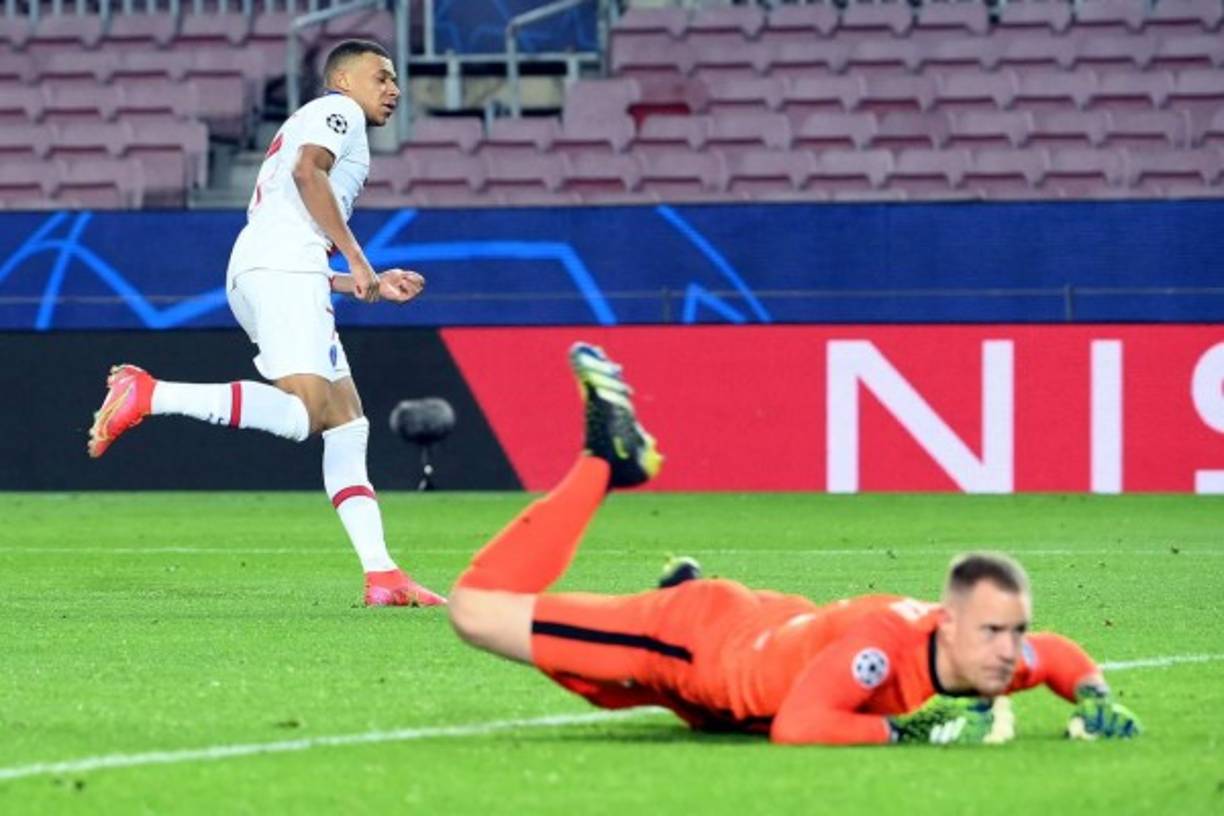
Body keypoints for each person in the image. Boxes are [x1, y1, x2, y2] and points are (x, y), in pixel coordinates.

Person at [446, 342, 1142, 745]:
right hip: (691, 643)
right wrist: (905, 732)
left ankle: (682, 584)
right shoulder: (883, 651)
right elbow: (802, 725)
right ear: (950, 621)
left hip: (747, 650)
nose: (1007, 648)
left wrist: (1093, 695)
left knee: (602, 690)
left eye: (1011, 632)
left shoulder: (982, 655)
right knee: (476, 609)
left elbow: (1054, 654)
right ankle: (607, 461)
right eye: (995, 631)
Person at [87, 40, 445, 608]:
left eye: (395, 80)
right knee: (306, 415)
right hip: (279, 269)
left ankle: (384, 576)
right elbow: (308, 173)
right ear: (344, 82)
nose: (393, 89)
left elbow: (294, 222)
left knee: (347, 423)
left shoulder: (326, 123)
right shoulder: (339, 112)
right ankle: (149, 394)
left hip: (276, 268)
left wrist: (362, 283)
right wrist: (358, 260)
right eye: (381, 77)